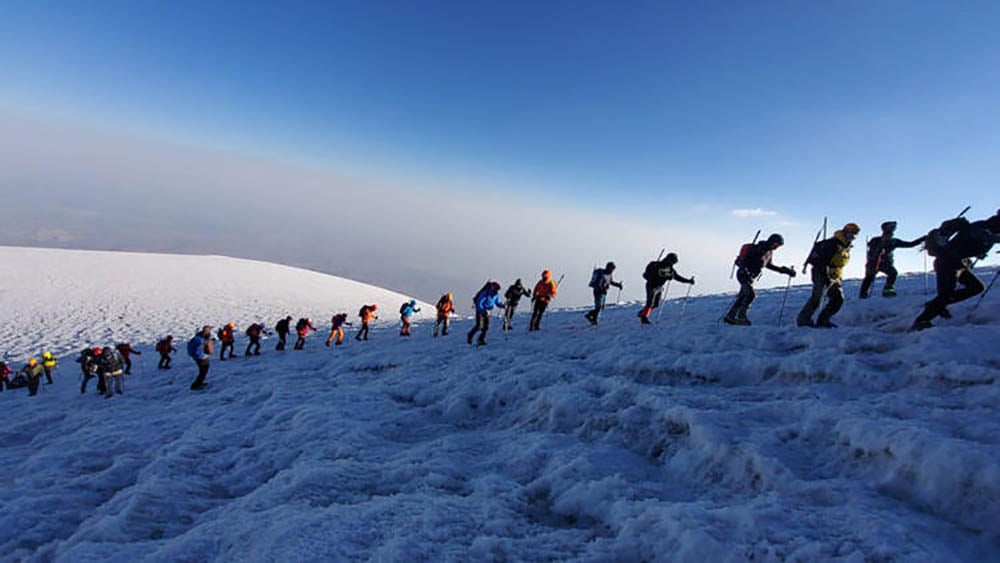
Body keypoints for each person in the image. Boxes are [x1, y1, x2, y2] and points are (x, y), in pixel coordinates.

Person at [912, 210, 1000, 331]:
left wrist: (979, 251)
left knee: (976, 287)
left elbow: (970, 243)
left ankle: (936, 305)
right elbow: (981, 236)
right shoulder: (981, 227)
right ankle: (921, 321)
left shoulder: (985, 228)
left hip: (956, 263)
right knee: (946, 295)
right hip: (947, 263)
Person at [797, 223, 860, 328]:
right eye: (851, 233)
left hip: (835, 275)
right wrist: (825, 276)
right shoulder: (834, 243)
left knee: (837, 299)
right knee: (817, 297)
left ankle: (823, 320)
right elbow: (822, 262)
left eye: (855, 234)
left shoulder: (845, 246)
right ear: (845, 232)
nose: (853, 236)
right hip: (822, 273)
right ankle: (803, 321)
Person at [725, 234, 796, 326]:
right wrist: (745, 268)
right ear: (772, 241)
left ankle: (730, 316)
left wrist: (785, 271)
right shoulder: (759, 248)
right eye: (776, 245)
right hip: (744, 274)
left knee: (743, 296)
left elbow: (769, 265)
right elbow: (745, 261)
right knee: (750, 295)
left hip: (750, 276)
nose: (776, 247)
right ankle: (741, 317)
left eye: (778, 246)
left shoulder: (769, 252)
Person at [859, 221, 926, 298]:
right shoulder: (878, 240)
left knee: (892, 273)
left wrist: (922, 239)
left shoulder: (892, 241)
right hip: (874, 263)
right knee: (870, 278)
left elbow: (910, 244)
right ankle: (865, 294)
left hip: (883, 263)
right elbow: (871, 250)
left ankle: (885, 290)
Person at [638, 253, 695, 324]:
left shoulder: (670, 269)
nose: (673, 263)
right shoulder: (656, 265)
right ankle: (644, 318)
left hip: (659, 287)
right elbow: (649, 275)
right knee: (650, 302)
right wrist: (665, 276)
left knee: (656, 304)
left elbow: (677, 277)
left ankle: (643, 313)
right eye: (673, 261)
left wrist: (688, 281)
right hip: (651, 285)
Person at [467, 281, 505, 346]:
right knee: (479, 326)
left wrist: (503, 305)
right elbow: (479, 303)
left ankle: (481, 340)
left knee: (486, 327)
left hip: (488, 312)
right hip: (481, 311)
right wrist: (483, 311)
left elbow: (497, 302)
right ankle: (470, 335)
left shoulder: (495, 295)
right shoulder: (485, 293)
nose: (497, 290)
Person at [188, 325, 214, 391]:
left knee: (203, 371)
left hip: (199, 357)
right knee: (203, 371)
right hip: (201, 357)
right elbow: (202, 348)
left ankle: (200, 382)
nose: (210, 331)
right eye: (209, 330)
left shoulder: (197, 337)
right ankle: (195, 385)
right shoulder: (202, 339)